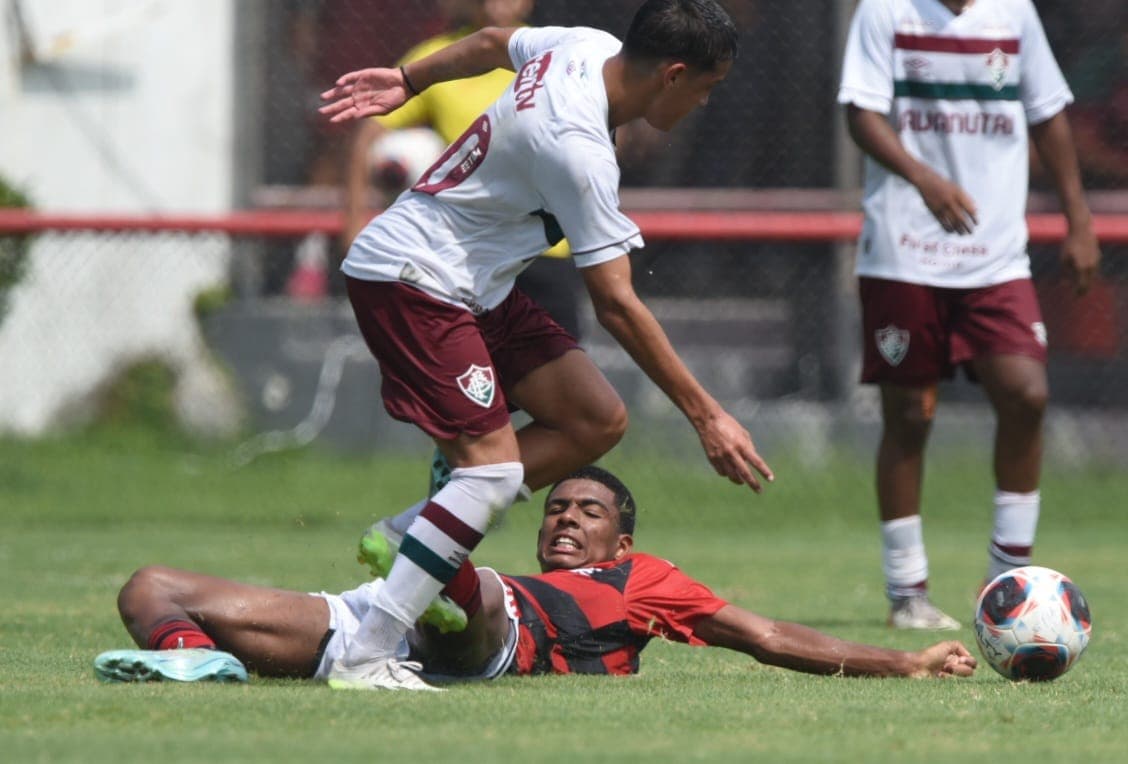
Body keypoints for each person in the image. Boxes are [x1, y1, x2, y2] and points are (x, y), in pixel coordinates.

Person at [310, 0, 774, 690]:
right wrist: (708, 416)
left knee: (594, 419)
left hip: (477, 281)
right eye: (707, 88)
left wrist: (409, 80)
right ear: (674, 75)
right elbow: (616, 303)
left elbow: (493, 42)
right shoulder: (578, 148)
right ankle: (365, 655)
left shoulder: (584, 45)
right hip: (415, 279)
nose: (705, 103)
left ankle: (413, 534)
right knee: (491, 474)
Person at [93, 466, 977, 687]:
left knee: (472, 586)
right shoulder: (517, 565)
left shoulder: (639, 581)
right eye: (556, 508)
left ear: (622, 542)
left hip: (493, 628)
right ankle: (197, 659)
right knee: (150, 587)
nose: (565, 519)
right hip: (381, 617)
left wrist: (905, 662)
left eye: (589, 511)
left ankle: (427, 563)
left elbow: (769, 636)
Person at [837, 0, 1102, 630]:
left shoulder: (1014, 14)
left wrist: (1079, 218)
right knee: (909, 415)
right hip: (904, 250)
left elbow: (1048, 115)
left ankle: (1008, 582)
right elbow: (861, 116)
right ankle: (907, 593)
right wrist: (924, 179)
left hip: (996, 255)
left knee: (1026, 394)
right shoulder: (885, 12)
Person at [341, 0, 584, 339]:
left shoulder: (556, 54)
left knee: (560, 367)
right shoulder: (437, 57)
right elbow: (366, 138)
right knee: (468, 368)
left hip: (543, 252)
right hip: (467, 253)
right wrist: (354, 226)